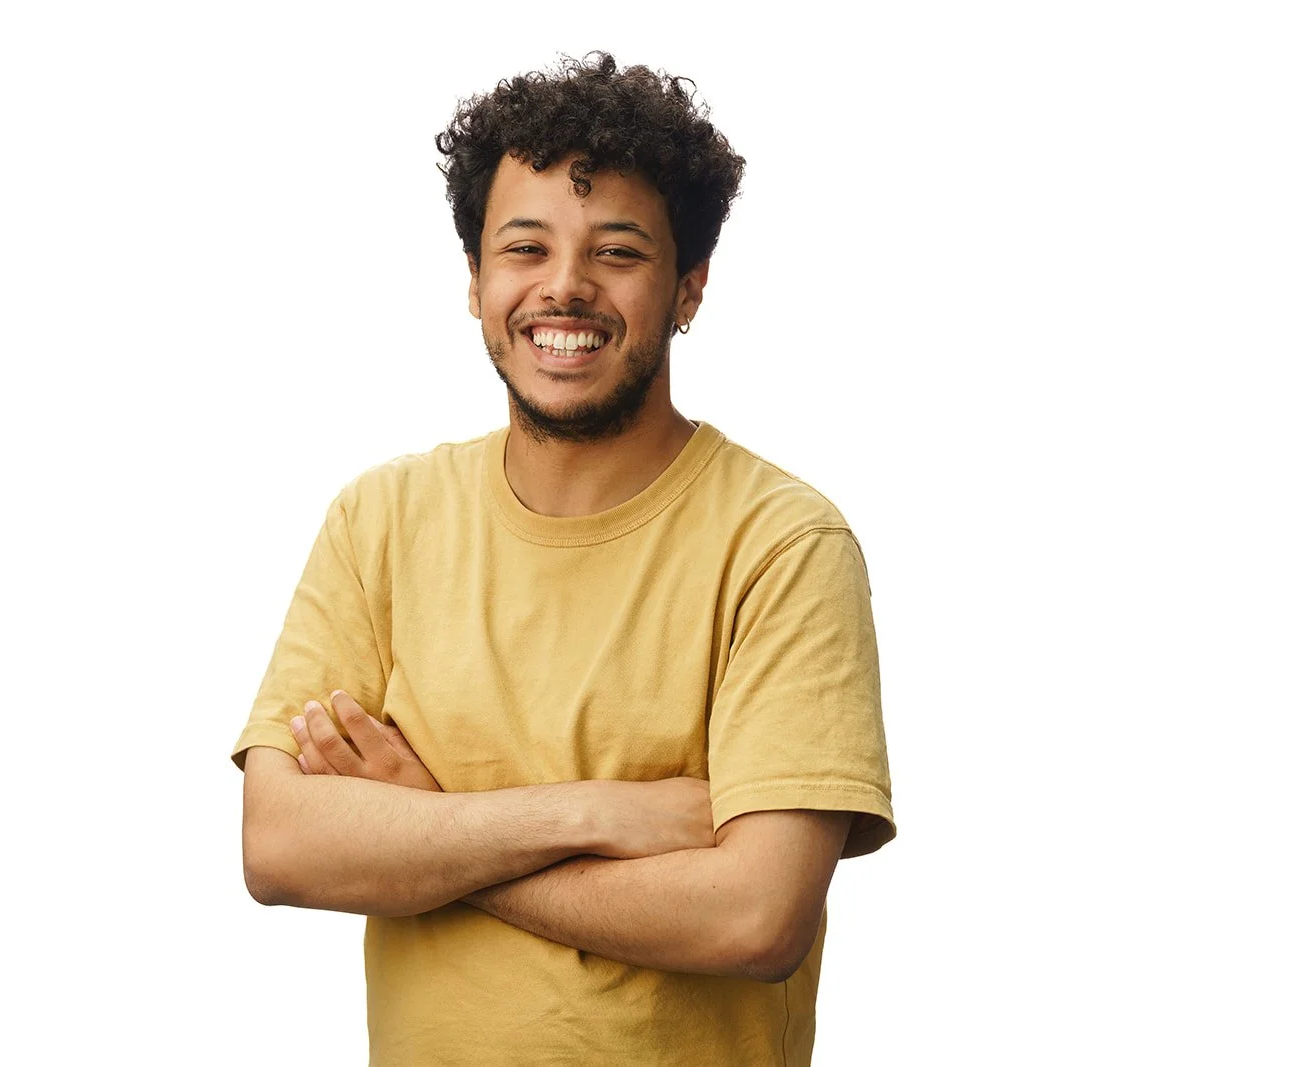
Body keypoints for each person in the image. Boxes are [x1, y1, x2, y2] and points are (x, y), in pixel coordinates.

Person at [231, 52, 896, 1066]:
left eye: (616, 251)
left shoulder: (782, 544)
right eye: (524, 247)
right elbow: (279, 844)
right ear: (475, 281)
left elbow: (753, 916)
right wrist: (597, 814)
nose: (564, 288)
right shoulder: (381, 520)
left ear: (689, 286)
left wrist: (425, 832)